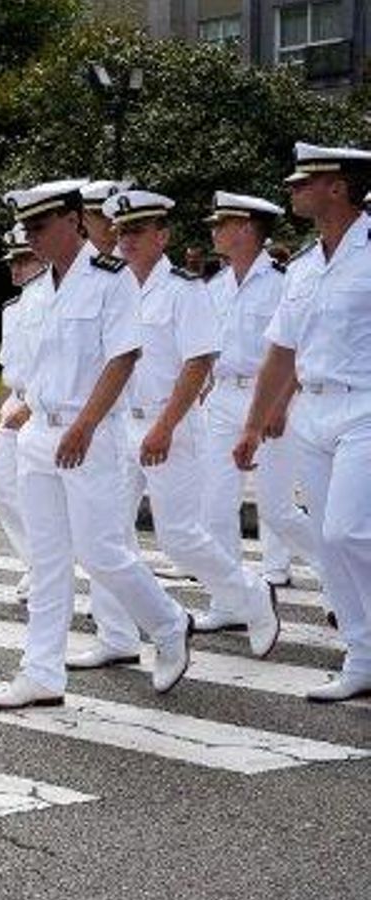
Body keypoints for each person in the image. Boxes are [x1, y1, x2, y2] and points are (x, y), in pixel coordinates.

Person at [0, 179, 193, 710]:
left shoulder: (109, 279)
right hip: (40, 434)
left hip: (89, 434)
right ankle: (41, 672)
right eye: (26, 228)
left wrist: (84, 426)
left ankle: (169, 625)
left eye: (40, 225)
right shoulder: (35, 293)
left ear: (74, 220)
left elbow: (123, 357)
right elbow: (32, 369)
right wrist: (28, 413)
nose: (31, 237)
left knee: (101, 552)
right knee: (49, 560)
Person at [68, 190, 280, 669]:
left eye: (138, 232)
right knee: (106, 534)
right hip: (122, 426)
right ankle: (117, 634)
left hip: (172, 426)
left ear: (162, 236)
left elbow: (198, 362)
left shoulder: (185, 290)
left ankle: (252, 595)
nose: (126, 241)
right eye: (121, 232)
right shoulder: (114, 286)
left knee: (179, 537)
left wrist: (164, 427)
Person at [235, 142, 371, 702]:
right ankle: (361, 657)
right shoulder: (306, 265)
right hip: (312, 409)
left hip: (366, 405)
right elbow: (281, 351)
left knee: (346, 530)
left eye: (301, 182)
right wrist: (252, 423)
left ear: (336, 187)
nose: (291, 191)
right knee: (326, 536)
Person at [201, 191, 325, 629]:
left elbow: (295, 348)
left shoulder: (281, 281)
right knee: (214, 505)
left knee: (277, 510)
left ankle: (337, 576)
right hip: (223, 398)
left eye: (222, 223)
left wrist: (282, 401)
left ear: (247, 229)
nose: (214, 231)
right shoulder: (215, 286)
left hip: (270, 397)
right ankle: (229, 600)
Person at [0, 225, 48, 599]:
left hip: (41, 403)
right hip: (16, 401)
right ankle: (37, 561)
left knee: (37, 493)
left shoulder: (53, 298)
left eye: (23, 259)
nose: (15, 268)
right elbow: (7, 367)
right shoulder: (13, 308)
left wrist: (28, 406)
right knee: (0, 488)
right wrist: (0, 412)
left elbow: (53, 361)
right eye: (12, 261)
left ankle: (44, 569)